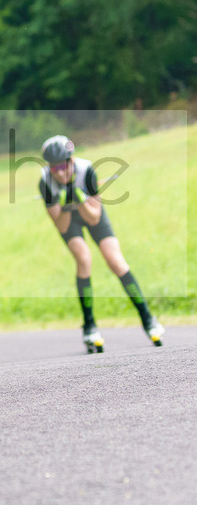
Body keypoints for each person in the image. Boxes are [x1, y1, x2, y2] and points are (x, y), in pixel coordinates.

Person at [38, 135, 165, 352]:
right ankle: (89, 326)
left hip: (89, 212)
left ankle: (147, 318)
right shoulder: (45, 183)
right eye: (54, 168)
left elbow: (94, 217)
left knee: (115, 260)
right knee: (84, 259)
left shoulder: (86, 171)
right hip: (68, 220)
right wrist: (66, 205)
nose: (59, 172)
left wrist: (79, 199)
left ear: (71, 160)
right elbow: (61, 225)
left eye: (63, 166)